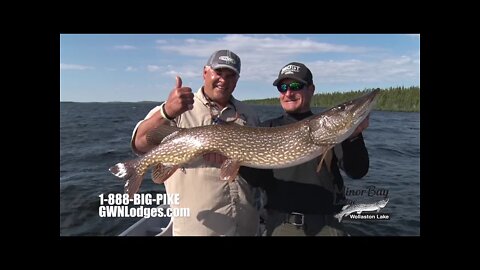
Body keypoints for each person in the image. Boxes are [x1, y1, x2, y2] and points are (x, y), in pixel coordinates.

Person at [130, 50, 261, 236]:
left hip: (245, 226)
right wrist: (166, 112)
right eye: (218, 72)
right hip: (200, 229)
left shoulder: (248, 113)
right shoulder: (177, 108)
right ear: (205, 73)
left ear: (238, 79)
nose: (224, 80)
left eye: (231, 75)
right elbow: (140, 143)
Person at [239, 62, 370, 236]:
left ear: (311, 89)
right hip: (283, 225)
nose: (288, 93)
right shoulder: (267, 128)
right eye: (282, 87)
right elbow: (256, 180)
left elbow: (357, 171)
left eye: (295, 86)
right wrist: (236, 160)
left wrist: (354, 136)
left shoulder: (329, 130)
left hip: (328, 225)